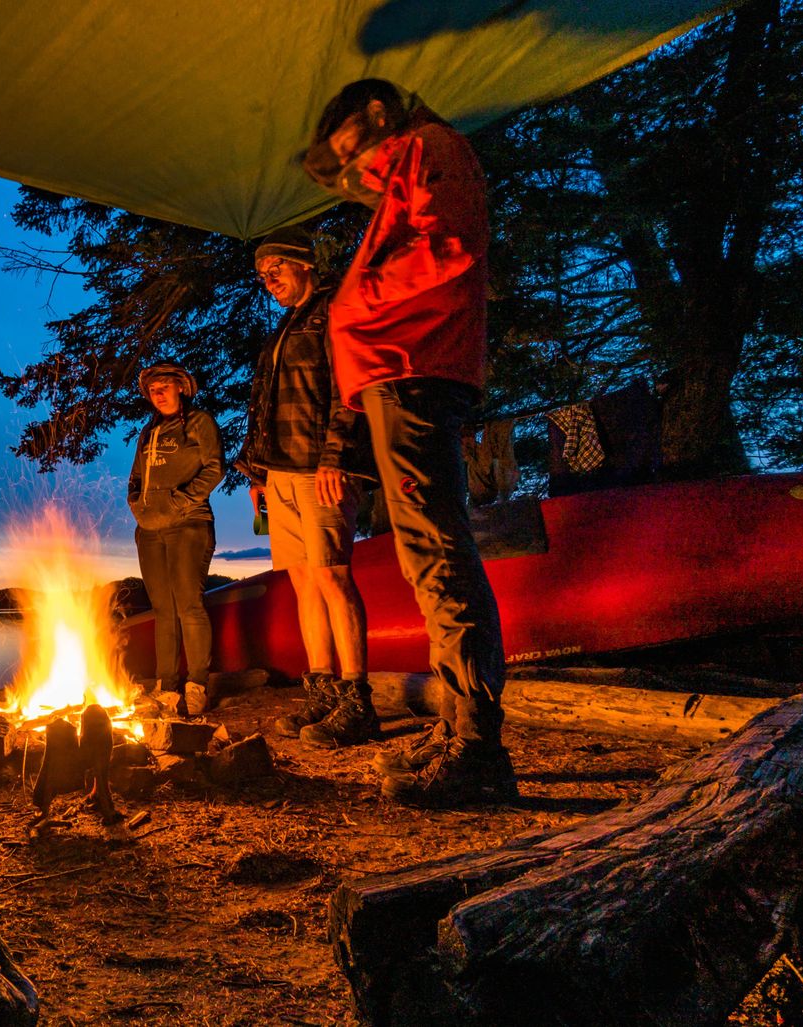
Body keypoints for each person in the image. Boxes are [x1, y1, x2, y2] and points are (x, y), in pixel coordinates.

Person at [302, 79, 516, 806]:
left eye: (352, 150)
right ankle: (459, 723)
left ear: (378, 117)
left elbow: (450, 242)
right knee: (427, 554)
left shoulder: (430, 149)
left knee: (438, 550)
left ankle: (478, 747)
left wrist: (354, 302)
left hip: (417, 368)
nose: (353, 170)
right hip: (401, 373)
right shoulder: (407, 167)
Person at [237, 226, 377, 748]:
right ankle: (321, 692)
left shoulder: (334, 313)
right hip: (280, 474)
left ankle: (357, 701)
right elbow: (264, 406)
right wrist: (256, 475)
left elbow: (350, 392)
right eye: (262, 276)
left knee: (334, 577)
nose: (269, 281)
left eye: (277, 270)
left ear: (305, 265)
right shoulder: (281, 331)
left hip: (321, 468)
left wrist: (336, 457)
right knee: (302, 583)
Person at [127, 362, 223, 717]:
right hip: (149, 531)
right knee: (163, 611)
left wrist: (181, 502)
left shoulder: (200, 422)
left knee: (189, 606)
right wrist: (137, 504)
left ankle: (197, 684)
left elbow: (215, 467)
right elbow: (136, 476)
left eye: (165, 386)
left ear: (181, 387)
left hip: (189, 524)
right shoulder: (148, 432)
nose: (159, 394)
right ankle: (166, 688)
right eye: (153, 390)